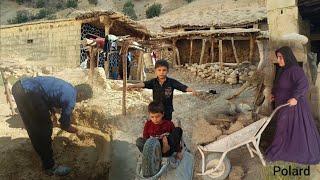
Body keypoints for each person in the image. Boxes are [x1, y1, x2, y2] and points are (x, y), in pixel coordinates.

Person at [11, 76, 93, 176]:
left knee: (32, 126)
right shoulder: (71, 96)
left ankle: (41, 154)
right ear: (81, 94)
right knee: (45, 129)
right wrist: (74, 130)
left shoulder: (66, 87)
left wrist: (53, 114)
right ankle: (50, 167)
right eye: (83, 99)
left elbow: (47, 96)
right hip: (30, 93)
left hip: (18, 87)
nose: (80, 102)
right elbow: (64, 124)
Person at [266, 46, 320, 164]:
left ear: (287, 57)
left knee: (293, 129)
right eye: (278, 57)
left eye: (281, 57)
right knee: (284, 128)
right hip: (284, 105)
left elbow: (303, 84)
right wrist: (273, 94)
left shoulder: (295, 69)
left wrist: (295, 97)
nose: (278, 60)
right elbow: (280, 85)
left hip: (294, 107)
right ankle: (284, 148)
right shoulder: (283, 70)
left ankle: (293, 151)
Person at [127, 60, 196, 121]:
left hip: (167, 110)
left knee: (167, 125)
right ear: (155, 71)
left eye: (164, 70)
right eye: (159, 70)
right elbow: (144, 84)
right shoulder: (153, 82)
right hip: (156, 110)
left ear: (167, 71)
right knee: (156, 125)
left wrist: (191, 90)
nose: (161, 72)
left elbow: (182, 87)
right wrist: (133, 86)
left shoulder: (171, 82)